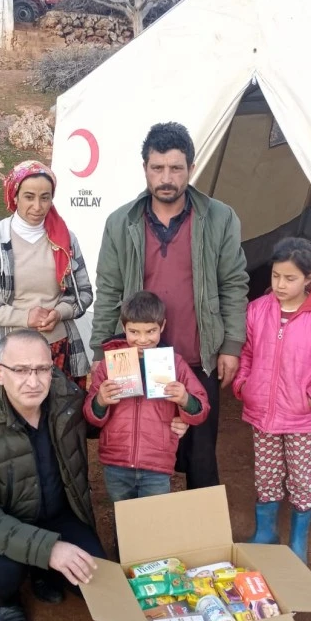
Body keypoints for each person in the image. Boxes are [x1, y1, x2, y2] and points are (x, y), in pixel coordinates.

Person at [91, 122, 248, 490]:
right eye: (157, 167)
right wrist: (101, 351)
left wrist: (230, 346)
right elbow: (109, 289)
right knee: (144, 445)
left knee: (201, 452)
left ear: (191, 169)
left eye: (176, 168)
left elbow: (234, 283)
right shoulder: (121, 223)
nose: (166, 177)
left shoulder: (219, 218)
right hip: (139, 356)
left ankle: (202, 537)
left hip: (198, 354)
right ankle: (147, 529)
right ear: (144, 168)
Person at [0, 329, 106, 621]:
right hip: (7, 522)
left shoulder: (66, 400)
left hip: (60, 514)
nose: (34, 381)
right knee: (0, 576)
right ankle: (7, 600)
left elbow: (95, 422)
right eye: (20, 370)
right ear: (0, 373)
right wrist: (50, 549)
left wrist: (169, 415)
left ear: (52, 368)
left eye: (42, 369)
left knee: (98, 579)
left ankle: (43, 572)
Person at [232, 237, 311, 564]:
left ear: (308, 279)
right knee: (267, 473)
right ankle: (266, 531)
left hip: (301, 414)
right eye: (275, 276)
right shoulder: (258, 309)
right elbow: (247, 352)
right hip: (262, 411)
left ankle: (298, 536)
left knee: (301, 475)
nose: (280, 285)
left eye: (289, 278)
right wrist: (244, 383)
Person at [0, 160, 93, 385]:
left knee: (61, 417)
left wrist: (59, 313)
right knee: (13, 418)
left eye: (45, 197)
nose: (38, 206)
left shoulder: (65, 239)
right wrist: (24, 318)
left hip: (60, 349)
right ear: (15, 196)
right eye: (29, 197)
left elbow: (84, 293)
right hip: (11, 353)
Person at [84, 291, 209, 507]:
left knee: (153, 521)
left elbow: (202, 407)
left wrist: (185, 399)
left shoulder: (174, 364)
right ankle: (121, 543)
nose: (143, 339)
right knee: (124, 522)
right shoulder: (109, 365)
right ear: (123, 328)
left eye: (151, 331)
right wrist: (100, 401)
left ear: (162, 327)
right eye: (134, 331)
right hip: (116, 461)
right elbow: (91, 416)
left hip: (157, 464)